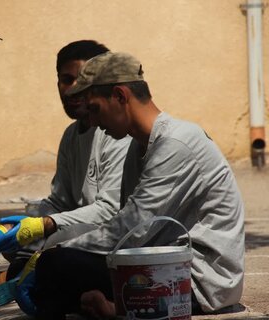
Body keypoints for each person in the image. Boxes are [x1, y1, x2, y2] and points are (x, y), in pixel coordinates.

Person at [20, 51, 244, 319]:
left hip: (196, 280)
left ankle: (112, 307)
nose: (92, 122)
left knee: (55, 264)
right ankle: (107, 306)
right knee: (39, 265)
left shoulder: (176, 142)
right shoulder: (137, 147)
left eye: (94, 109)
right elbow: (123, 224)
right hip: (154, 263)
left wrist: (59, 251)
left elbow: (132, 228)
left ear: (120, 96)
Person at [0, 40, 131, 301]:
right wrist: (13, 228)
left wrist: (41, 226)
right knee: (17, 240)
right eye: (65, 80)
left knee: (61, 239)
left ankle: (19, 278)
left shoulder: (117, 133)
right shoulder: (71, 135)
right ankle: (25, 274)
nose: (72, 90)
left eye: (81, 80)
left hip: (111, 238)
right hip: (82, 229)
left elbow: (111, 211)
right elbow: (59, 201)